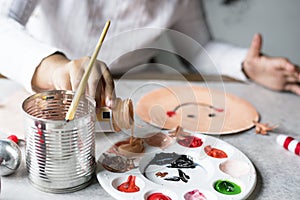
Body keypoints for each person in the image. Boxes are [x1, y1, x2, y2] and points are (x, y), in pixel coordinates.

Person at [0, 0, 299, 101]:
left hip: (131, 90)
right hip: (44, 83)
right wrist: (56, 68)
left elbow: (197, 49)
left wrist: (245, 66)